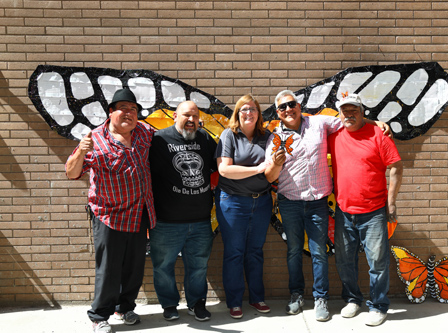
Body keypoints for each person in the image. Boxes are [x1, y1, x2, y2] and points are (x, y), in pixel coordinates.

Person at [265, 90, 390, 322]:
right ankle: (296, 295)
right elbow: (270, 176)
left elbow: (349, 118)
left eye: (291, 104)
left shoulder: (320, 123)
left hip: (317, 203)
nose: (288, 110)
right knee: (293, 251)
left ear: (299, 105)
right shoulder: (275, 138)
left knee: (319, 252)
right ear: (278, 113)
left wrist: (376, 122)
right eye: (282, 107)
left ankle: (320, 298)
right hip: (289, 203)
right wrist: (275, 164)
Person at [65, 88, 157, 333]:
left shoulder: (145, 133)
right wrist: (82, 150)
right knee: (108, 268)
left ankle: (125, 307)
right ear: (111, 112)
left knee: (134, 267)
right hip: (109, 215)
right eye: (123, 108)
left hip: (139, 212)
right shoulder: (95, 138)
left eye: (133, 109)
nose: (128, 113)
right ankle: (99, 316)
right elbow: (72, 173)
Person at [328, 93, 403, 327]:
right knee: (344, 260)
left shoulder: (378, 135)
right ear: (339, 114)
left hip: (374, 212)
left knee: (377, 262)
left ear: (362, 112)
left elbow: (396, 167)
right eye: (345, 111)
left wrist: (391, 202)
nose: (349, 115)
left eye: (354, 111)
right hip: (343, 211)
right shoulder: (335, 136)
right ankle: (352, 299)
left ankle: (379, 305)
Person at [215, 94, 286, 319]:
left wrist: (275, 165)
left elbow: (271, 176)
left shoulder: (269, 137)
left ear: (258, 114)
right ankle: (235, 302)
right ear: (238, 113)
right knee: (234, 252)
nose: (248, 113)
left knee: (255, 252)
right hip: (233, 202)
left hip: (262, 201)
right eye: (244, 109)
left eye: (253, 109)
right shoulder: (229, 135)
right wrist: (258, 169)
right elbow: (224, 170)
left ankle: (257, 297)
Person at [148, 100, 217, 322]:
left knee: (198, 266)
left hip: (200, 220)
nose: (191, 120)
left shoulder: (205, 138)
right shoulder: (159, 140)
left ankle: (197, 304)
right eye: (186, 115)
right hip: (167, 221)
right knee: (163, 266)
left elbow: (220, 166)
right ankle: (169, 304)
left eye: (195, 116)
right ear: (175, 116)